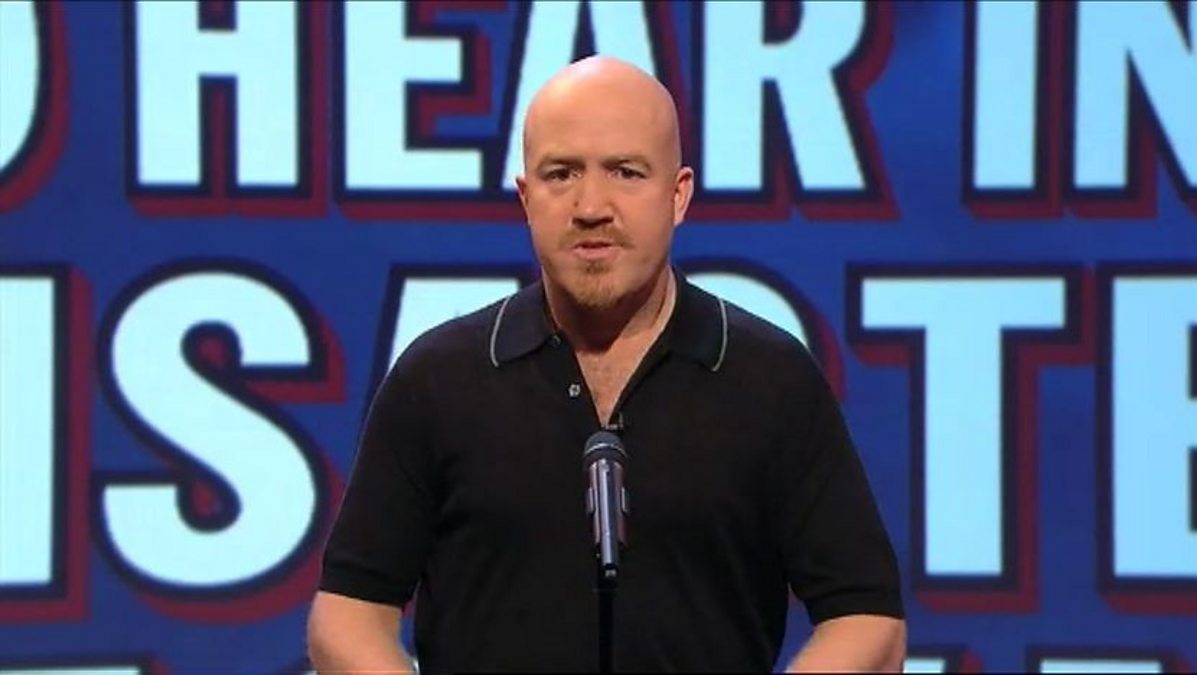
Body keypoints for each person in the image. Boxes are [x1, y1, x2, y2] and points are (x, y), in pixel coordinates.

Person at [307, 55, 905, 673]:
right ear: (526, 197)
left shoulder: (770, 380)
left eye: (625, 171)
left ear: (678, 195)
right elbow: (349, 612)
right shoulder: (438, 380)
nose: (591, 205)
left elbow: (866, 617)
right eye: (561, 173)